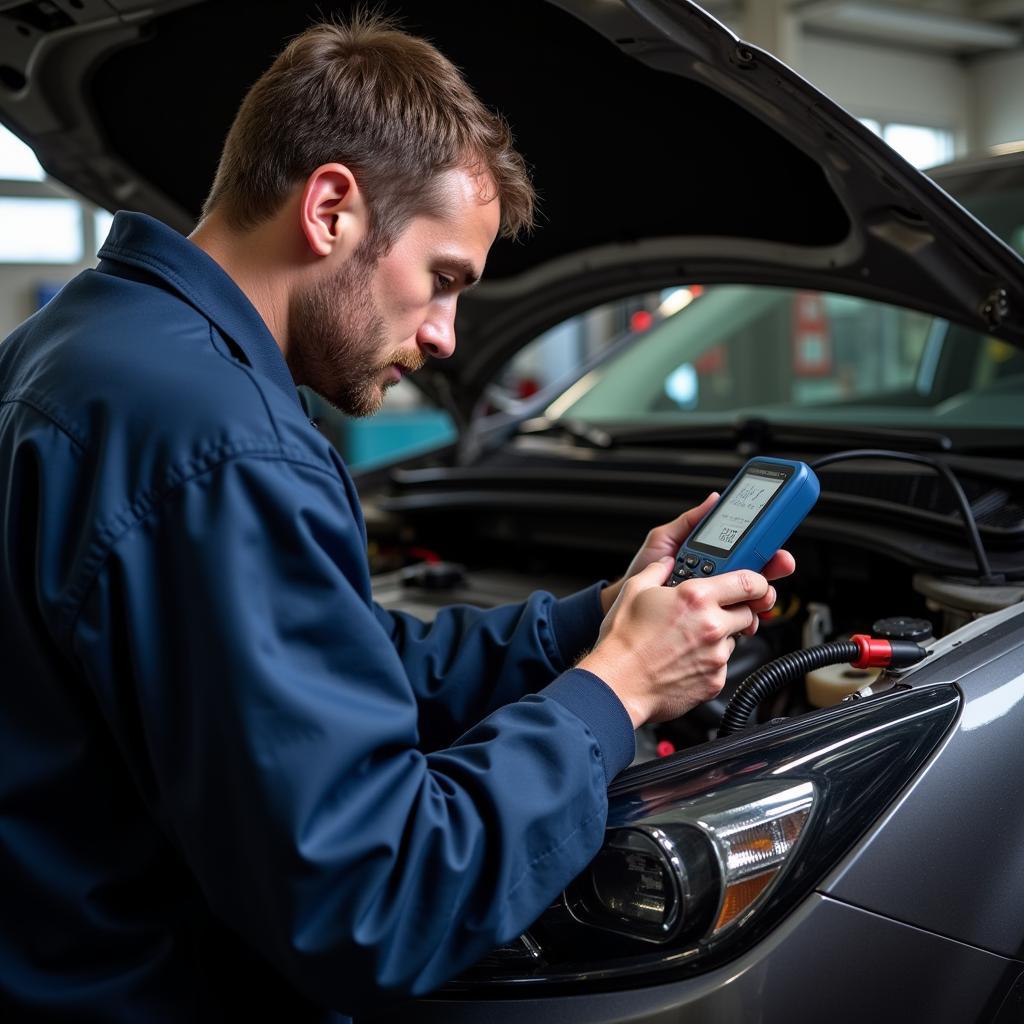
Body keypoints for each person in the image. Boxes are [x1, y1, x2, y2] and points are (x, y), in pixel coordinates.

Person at [0, 13, 793, 1022]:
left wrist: (592, 622)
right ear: (331, 207)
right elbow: (376, 898)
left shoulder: (79, 342)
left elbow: (344, 664)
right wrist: (619, 689)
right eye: (443, 280)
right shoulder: (222, 444)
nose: (446, 336)